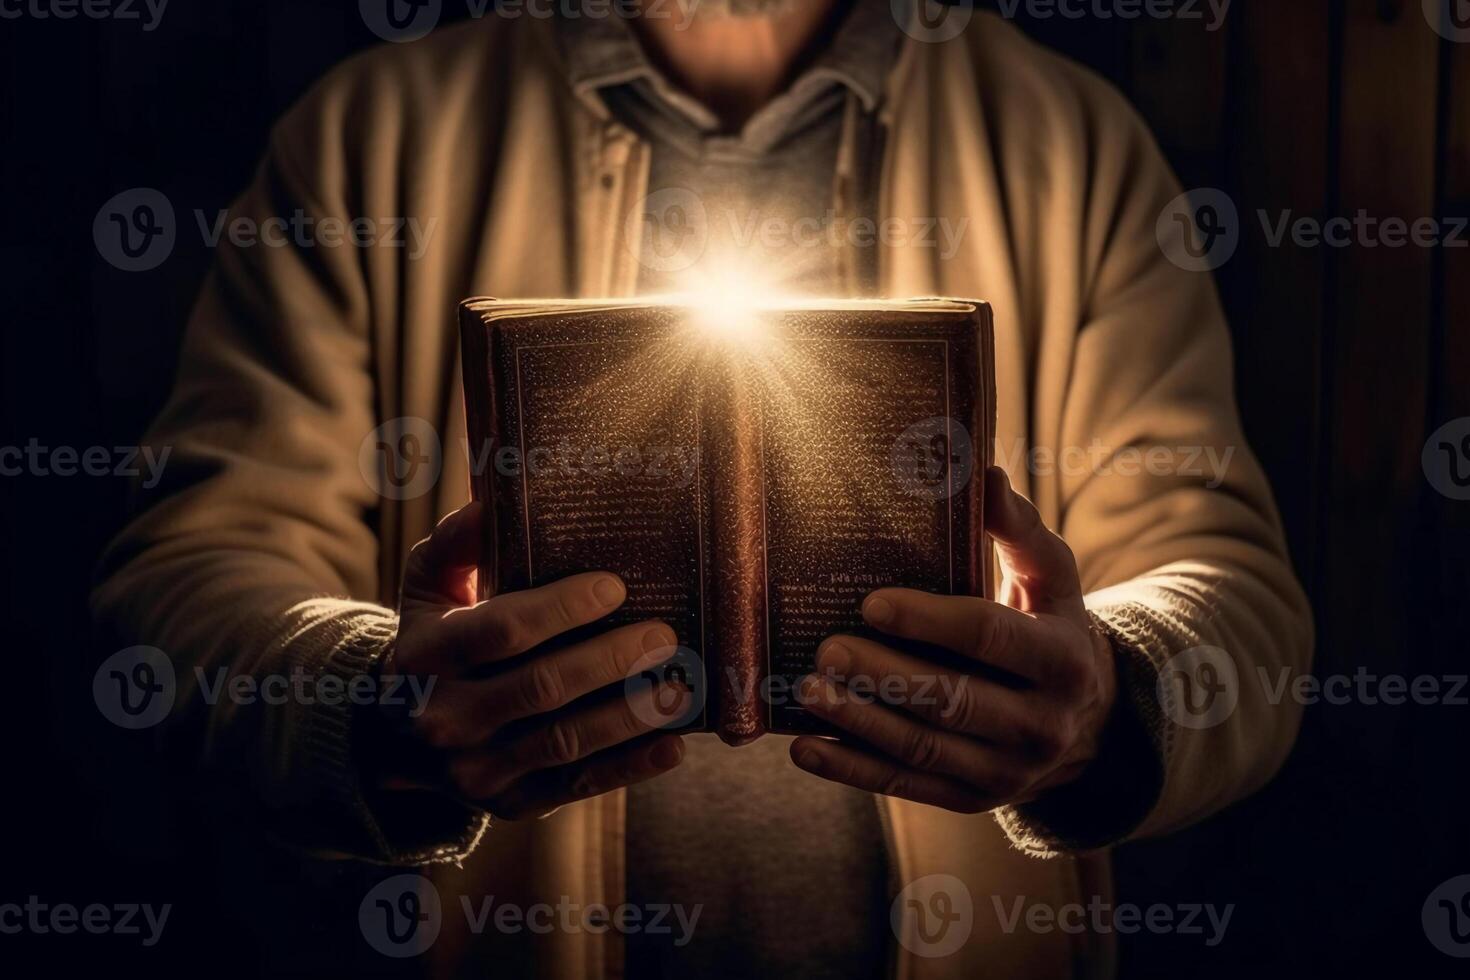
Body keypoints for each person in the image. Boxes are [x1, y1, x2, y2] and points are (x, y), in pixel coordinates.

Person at [92, 1, 1313, 976]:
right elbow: (187, 580)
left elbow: (1234, 590)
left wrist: (1111, 691)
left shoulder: (1068, 142)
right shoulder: (374, 135)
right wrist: (372, 704)